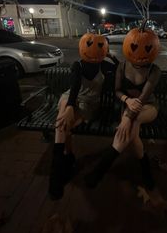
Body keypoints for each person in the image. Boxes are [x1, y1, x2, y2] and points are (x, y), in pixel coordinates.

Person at [85, 28, 161, 190]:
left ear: (154, 48)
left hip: (148, 107)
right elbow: (117, 91)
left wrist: (126, 117)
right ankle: (146, 170)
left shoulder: (155, 71)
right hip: (126, 105)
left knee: (133, 122)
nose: (140, 53)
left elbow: (143, 98)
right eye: (134, 47)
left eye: (147, 48)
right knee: (132, 134)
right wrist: (126, 100)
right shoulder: (122, 67)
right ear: (127, 46)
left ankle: (99, 171)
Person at [49, 34, 119, 200]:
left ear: (105, 49)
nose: (94, 49)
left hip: (89, 106)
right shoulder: (77, 65)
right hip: (71, 99)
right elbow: (74, 88)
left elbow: (121, 71)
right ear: (82, 46)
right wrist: (70, 107)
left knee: (62, 124)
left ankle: (66, 160)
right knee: (63, 114)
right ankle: (56, 176)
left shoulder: (106, 66)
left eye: (101, 46)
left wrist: (112, 57)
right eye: (89, 44)